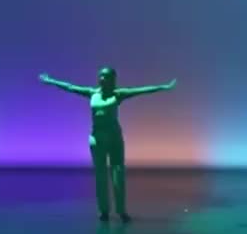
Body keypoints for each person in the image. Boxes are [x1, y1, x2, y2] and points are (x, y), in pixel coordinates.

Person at [39, 68, 176, 222]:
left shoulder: (118, 94)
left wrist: (163, 87)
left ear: (112, 79)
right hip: (97, 138)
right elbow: (70, 87)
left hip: (114, 138)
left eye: (106, 76)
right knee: (100, 175)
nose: (103, 78)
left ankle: (121, 211)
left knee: (118, 173)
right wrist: (50, 81)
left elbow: (142, 90)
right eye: (101, 76)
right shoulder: (92, 93)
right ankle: (104, 211)